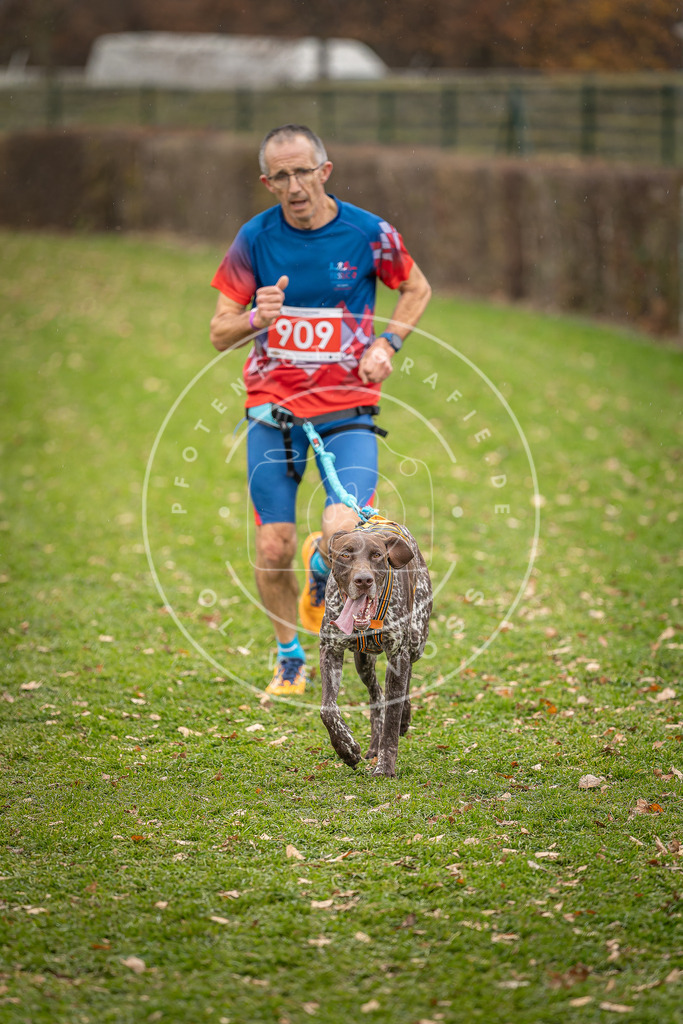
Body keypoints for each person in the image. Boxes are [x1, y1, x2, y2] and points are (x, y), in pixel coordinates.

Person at [210, 124, 431, 696]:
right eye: (280, 176)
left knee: (342, 528)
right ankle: (289, 656)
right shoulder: (254, 239)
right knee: (272, 544)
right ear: (267, 182)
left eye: (303, 171)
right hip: (273, 412)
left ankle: (319, 569)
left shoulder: (368, 232)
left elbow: (416, 288)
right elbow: (219, 332)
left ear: (324, 171)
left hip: (349, 410)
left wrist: (388, 344)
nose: (294, 185)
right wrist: (257, 318)